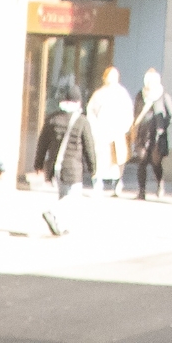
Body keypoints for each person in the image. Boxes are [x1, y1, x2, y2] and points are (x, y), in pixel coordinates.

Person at [42, 85, 96, 235]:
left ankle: (61, 226)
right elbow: (89, 146)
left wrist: (39, 163)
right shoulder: (82, 121)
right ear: (78, 102)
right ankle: (52, 212)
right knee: (72, 198)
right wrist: (93, 167)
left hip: (55, 165)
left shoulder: (52, 119)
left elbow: (43, 143)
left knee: (63, 194)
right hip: (73, 166)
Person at [89, 66, 135, 197]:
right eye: (109, 76)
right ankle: (98, 184)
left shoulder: (122, 93)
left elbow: (128, 112)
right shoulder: (99, 94)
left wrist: (125, 127)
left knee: (117, 160)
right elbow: (91, 111)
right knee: (100, 159)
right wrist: (94, 127)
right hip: (101, 131)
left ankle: (117, 184)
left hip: (117, 132)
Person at [131, 69, 172, 200]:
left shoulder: (163, 96)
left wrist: (163, 127)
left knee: (156, 163)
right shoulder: (141, 95)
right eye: (147, 80)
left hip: (157, 135)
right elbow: (136, 111)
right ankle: (141, 191)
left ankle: (160, 184)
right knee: (142, 161)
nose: (149, 83)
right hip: (142, 134)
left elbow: (171, 115)